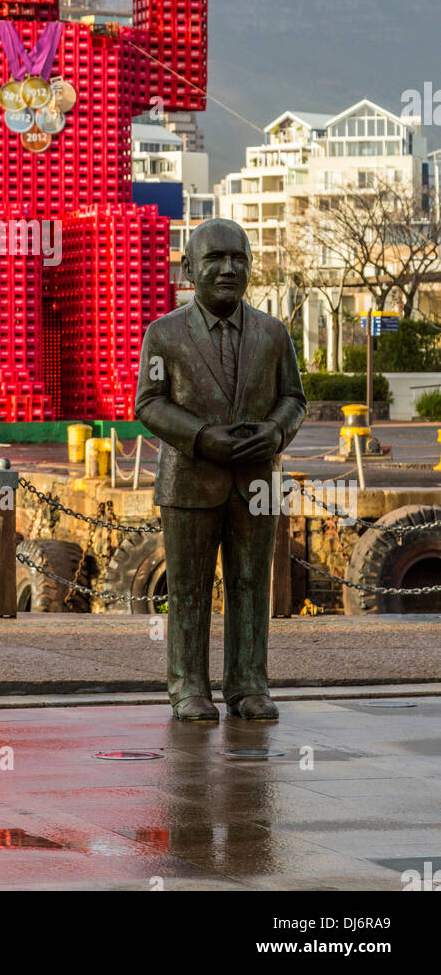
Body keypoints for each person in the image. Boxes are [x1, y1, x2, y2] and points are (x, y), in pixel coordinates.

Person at [135, 218, 306, 722]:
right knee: (187, 588)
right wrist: (200, 436)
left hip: (258, 482)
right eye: (216, 259)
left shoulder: (273, 333)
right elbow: (149, 403)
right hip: (189, 479)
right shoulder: (163, 334)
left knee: (252, 584)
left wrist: (276, 432)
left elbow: (294, 398)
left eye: (239, 259)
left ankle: (249, 685)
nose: (229, 268)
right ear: (188, 268)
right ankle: (188, 688)